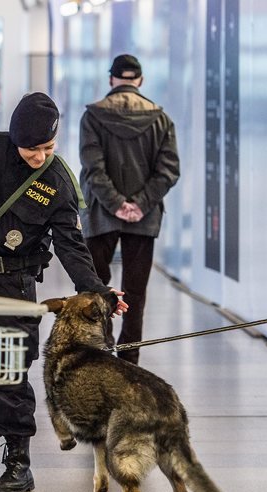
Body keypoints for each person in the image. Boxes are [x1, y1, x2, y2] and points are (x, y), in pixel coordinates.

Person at [0, 92, 127, 492]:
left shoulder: (57, 182)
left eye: (48, 148)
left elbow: (71, 246)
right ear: (14, 137)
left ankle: (18, 461)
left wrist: (97, 292)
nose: (40, 156)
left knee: (10, 376)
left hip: (14, 288)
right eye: (31, 149)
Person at [78, 53, 180, 366]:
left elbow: (93, 169)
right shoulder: (161, 119)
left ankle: (100, 352)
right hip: (143, 218)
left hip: (100, 213)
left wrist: (115, 204)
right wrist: (139, 204)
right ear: (140, 80)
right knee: (135, 292)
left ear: (111, 79)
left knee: (97, 288)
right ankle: (129, 360)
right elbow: (169, 170)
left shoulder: (92, 117)